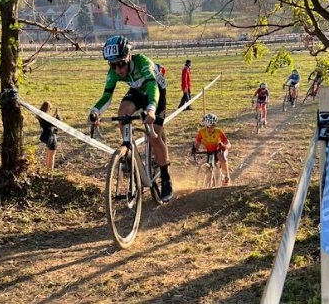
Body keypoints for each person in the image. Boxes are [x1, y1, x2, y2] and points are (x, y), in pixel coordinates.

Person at [88, 35, 174, 202]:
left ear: (128, 56)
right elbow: (107, 96)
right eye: (113, 65)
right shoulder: (114, 73)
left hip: (154, 91)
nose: (118, 69)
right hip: (136, 91)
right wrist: (95, 112)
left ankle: (166, 178)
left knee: (153, 136)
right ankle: (128, 149)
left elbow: (152, 87)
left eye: (120, 63)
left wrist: (151, 110)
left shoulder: (143, 63)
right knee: (123, 113)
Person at [191, 113, 232, 186]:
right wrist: (194, 149)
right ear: (204, 126)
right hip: (210, 152)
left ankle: (226, 176)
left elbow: (228, 143)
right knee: (209, 169)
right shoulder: (201, 132)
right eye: (207, 127)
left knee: (220, 156)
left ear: (215, 125)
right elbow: (197, 142)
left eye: (212, 127)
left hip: (220, 150)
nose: (209, 129)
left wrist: (224, 146)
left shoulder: (218, 131)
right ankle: (208, 183)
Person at [38, 101, 60, 173]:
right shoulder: (45, 118)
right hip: (51, 136)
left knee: (48, 155)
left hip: (47, 136)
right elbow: (55, 122)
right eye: (50, 108)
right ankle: (50, 172)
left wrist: (54, 115)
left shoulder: (41, 116)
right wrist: (57, 115)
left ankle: (47, 171)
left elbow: (50, 121)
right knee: (52, 156)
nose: (50, 110)